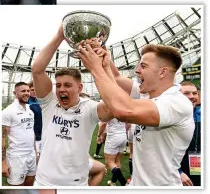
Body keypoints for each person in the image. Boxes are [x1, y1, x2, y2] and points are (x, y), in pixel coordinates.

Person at [77, 43, 195, 186]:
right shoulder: (146, 94)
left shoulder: (176, 103)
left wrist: (95, 68)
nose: (137, 71)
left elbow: (124, 110)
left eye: (143, 66)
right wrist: (105, 61)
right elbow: (116, 79)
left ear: (162, 72)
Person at [31, 24, 113, 186]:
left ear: (79, 88)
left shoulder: (89, 108)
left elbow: (113, 108)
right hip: (43, 183)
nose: (61, 89)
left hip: (75, 184)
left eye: (67, 85)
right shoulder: (50, 103)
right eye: (59, 85)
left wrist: (104, 67)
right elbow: (37, 70)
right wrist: (60, 35)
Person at [2, 82, 36, 186]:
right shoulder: (8, 111)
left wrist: (35, 152)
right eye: (23, 91)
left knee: (30, 184)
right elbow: (2, 138)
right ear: (15, 93)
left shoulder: (30, 110)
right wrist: (2, 163)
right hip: (16, 157)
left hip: (31, 155)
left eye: (28, 91)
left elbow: (31, 132)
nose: (27, 93)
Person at [179, 81, 201, 186]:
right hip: (178, 173)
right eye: (186, 93)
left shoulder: (201, 114)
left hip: (198, 167)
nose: (192, 96)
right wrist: (178, 172)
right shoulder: (168, 118)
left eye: (194, 93)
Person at [99, 119, 127, 186]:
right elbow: (128, 123)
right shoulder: (123, 108)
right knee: (117, 161)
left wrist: (99, 135)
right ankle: (113, 182)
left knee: (109, 162)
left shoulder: (110, 109)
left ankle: (125, 184)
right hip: (123, 136)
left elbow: (103, 123)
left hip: (113, 137)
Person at [28, 81, 43, 160]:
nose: (34, 91)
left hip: (42, 135)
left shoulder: (40, 101)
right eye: (32, 89)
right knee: (35, 161)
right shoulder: (27, 103)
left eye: (36, 89)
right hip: (33, 137)